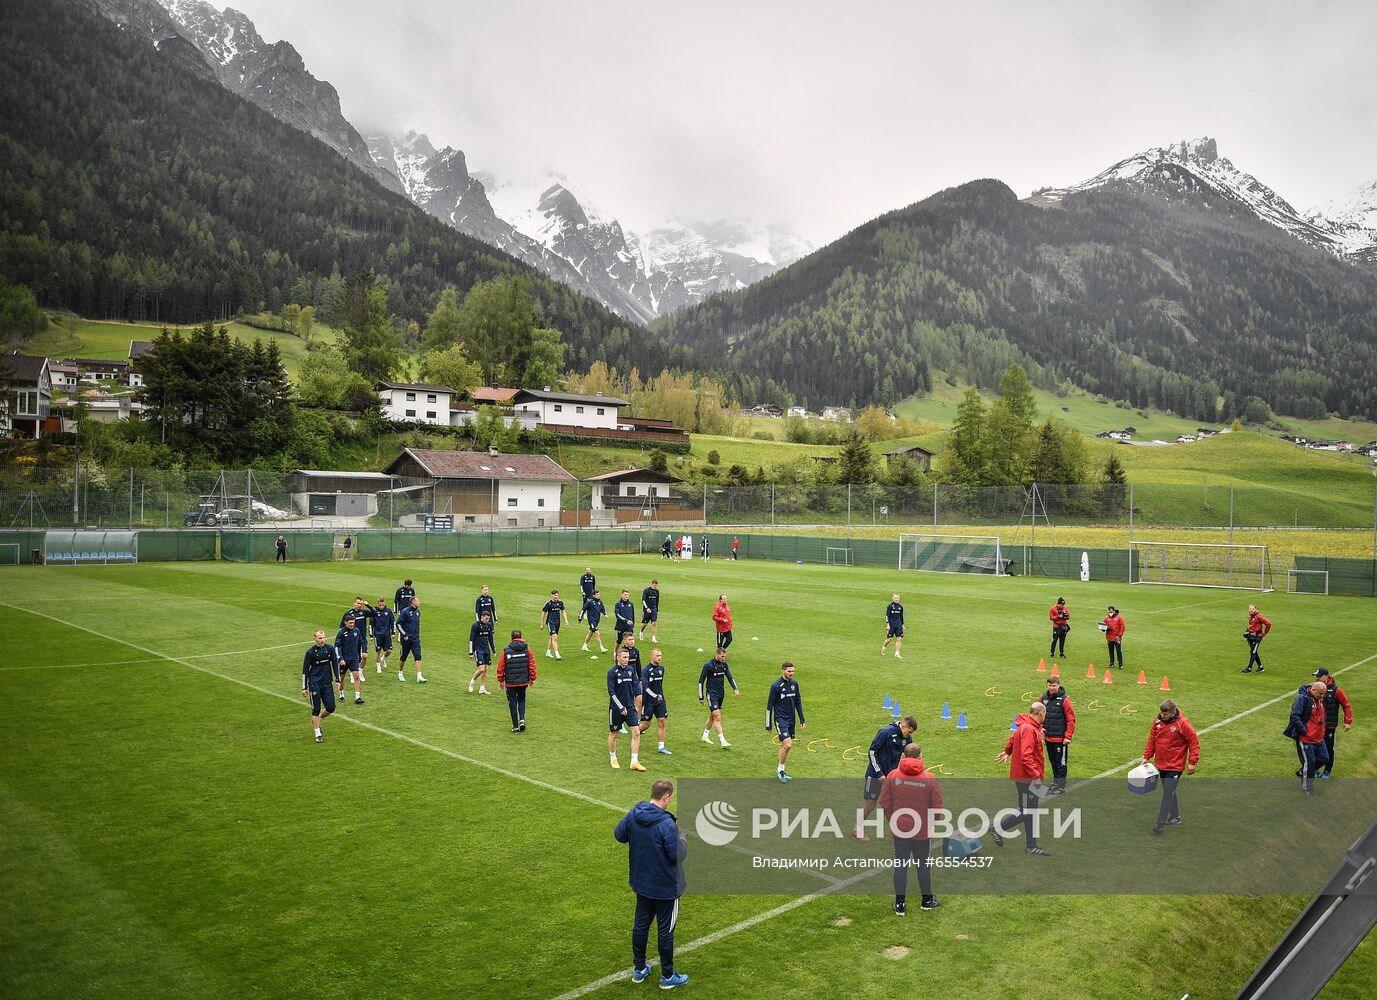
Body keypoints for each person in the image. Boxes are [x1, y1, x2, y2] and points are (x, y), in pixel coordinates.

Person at [614, 779, 688, 990]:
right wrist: (683, 840)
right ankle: (667, 976)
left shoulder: (635, 813)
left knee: (641, 926)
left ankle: (639, 969)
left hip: (642, 883)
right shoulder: (666, 824)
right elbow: (677, 856)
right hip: (666, 888)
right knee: (666, 931)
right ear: (666, 797)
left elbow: (619, 835)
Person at [878, 744, 943, 914]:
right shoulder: (929, 778)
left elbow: (884, 802)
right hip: (922, 831)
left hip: (900, 829)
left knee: (901, 865)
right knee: (923, 866)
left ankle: (900, 904)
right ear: (920, 756)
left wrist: (893, 819)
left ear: (903, 756)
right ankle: (926, 901)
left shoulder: (893, 775)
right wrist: (930, 825)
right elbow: (937, 808)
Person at [994, 702, 1052, 855]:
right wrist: (1036, 777)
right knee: (1027, 811)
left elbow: (1013, 737)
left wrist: (1008, 751)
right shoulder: (1029, 729)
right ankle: (998, 829)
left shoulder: (1027, 725)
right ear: (1041, 713)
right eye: (1045, 713)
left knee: (1032, 811)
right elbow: (1026, 757)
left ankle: (1031, 846)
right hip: (1027, 779)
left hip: (1028, 777)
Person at [1141, 699, 1200, 832]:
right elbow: (1152, 739)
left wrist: (1192, 762)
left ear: (1173, 712)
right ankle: (1175, 816)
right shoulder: (1157, 721)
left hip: (1175, 766)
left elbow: (1194, 742)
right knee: (1169, 791)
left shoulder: (1182, 724)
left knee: (1167, 794)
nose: (1163, 715)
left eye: (1166, 714)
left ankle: (1160, 824)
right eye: (1162, 713)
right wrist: (1146, 756)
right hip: (1161, 764)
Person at [855, 715, 917, 840]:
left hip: (891, 776)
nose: (910, 735)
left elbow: (908, 757)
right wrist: (879, 773)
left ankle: (898, 829)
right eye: (909, 731)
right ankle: (857, 828)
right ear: (903, 726)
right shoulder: (886, 732)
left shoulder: (907, 739)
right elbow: (872, 752)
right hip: (875, 775)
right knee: (871, 803)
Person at [765, 662, 806, 782]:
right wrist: (768, 724)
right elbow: (769, 705)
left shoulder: (794, 684)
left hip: (791, 719)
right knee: (788, 744)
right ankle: (780, 771)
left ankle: (781, 770)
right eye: (789, 671)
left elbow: (798, 701)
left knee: (786, 746)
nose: (791, 673)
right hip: (780, 719)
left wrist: (802, 718)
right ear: (782, 671)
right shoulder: (776, 686)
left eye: (793, 671)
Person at [1287, 681, 1330, 795]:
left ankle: (1303, 771)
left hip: (1318, 738)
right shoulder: (1303, 699)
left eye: (1324, 693)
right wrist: (1304, 731)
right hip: (1306, 739)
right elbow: (1294, 716)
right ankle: (1308, 788)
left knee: (1324, 758)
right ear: (1313, 690)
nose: (1323, 696)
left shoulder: (1320, 699)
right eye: (1321, 693)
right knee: (1310, 763)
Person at [609, 648, 646, 771]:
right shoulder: (612, 672)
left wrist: (639, 697)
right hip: (616, 709)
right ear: (618, 658)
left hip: (630, 708)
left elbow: (636, 685)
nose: (627, 660)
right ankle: (613, 757)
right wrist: (620, 707)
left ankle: (634, 762)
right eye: (624, 657)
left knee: (636, 732)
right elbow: (611, 692)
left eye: (628, 657)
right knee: (614, 733)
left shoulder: (631, 670)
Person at [1313, 668, 1354, 779]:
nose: (1317, 678)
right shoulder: (1314, 688)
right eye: (1316, 676)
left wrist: (1348, 722)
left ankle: (1327, 771)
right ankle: (1315, 769)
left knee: (1329, 749)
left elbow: (1346, 705)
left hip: (1329, 726)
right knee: (1314, 748)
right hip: (1316, 726)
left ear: (1326, 676)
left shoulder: (1336, 690)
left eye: (1319, 676)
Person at [1039, 675, 1076, 794]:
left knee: (1061, 763)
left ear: (1058, 685)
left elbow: (1071, 719)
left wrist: (1068, 736)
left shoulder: (1064, 700)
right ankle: (1056, 783)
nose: (1052, 688)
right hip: (1048, 737)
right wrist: (1040, 728)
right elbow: (1038, 715)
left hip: (1060, 738)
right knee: (1053, 761)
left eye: (1054, 686)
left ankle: (1061, 787)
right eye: (1050, 685)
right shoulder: (1043, 698)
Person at [301, 629, 340, 743]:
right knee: (316, 709)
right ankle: (317, 734)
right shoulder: (310, 652)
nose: (322, 640)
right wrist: (304, 687)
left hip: (327, 683)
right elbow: (305, 670)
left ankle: (318, 719)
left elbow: (335, 664)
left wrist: (338, 680)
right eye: (320, 638)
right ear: (315, 639)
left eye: (323, 637)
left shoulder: (330, 649)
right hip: (314, 684)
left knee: (331, 707)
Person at [697, 647, 739, 748]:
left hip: (721, 694)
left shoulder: (724, 665)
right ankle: (723, 741)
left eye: (725, 657)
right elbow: (701, 681)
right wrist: (701, 696)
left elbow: (730, 677)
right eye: (722, 656)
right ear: (717, 654)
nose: (723, 658)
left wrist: (735, 689)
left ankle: (705, 736)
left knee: (712, 715)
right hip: (712, 694)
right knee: (717, 716)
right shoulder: (708, 665)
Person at [497, 629, 536, 733]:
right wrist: (533, 678)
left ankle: (515, 726)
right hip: (523, 681)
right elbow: (532, 664)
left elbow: (501, 666)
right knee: (522, 700)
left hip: (511, 682)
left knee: (512, 703)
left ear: (511, 638)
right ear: (521, 637)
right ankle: (522, 720)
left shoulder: (506, 651)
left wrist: (500, 680)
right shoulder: (527, 649)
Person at [638, 648, 672, 755]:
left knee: (662, 721)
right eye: (657, 655)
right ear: (651, 656)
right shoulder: (645, 670)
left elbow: (659, 684)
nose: (659, 657)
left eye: (660, 655)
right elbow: (646, 687)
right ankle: (636, 732)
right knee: (646, 724)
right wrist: (654, 695)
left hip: (660, 700)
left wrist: (659, 695)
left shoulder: (661, 669)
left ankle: (661, 747)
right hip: (649, 701)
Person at [334, 613, 366, 705]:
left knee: (356, 676)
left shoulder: (357, 631)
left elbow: (359, 644)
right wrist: (340, 659)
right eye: (350, 623)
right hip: (344, 660)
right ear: (345, 622)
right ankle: (341, 694)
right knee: (342, 677)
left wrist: (359, 657)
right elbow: (337, 646)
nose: (352, 624)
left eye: (353, 623)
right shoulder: (341, 632)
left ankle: (357, 697)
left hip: (354, 658)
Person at [340, 598, 374, 681]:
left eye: (360, 604)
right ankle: (353, 673)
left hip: (362, 639)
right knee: (355, 658)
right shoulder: (348, 613)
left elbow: (375, 613)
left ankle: (360, 671)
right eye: (358, 603)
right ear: (354, 603)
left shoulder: (363, 612)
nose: (359, 605)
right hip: (352, 640)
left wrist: (368, 605)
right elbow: (341, 627)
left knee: (364, 656)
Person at [397, 596, 426, 683]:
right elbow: (398, 624)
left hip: (416, 638)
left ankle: (419, 676)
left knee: (418, 656)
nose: (419, 602)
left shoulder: (417, 611)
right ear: (413, 602)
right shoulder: (405, 611)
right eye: (418, 601)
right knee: (403, 657)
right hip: (406, 639)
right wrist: (404, 634)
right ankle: (400, 673)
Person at [468, 611, 495, 694]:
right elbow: (471, 639)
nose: (487, 620)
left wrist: (493, 650)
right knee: (481, 669)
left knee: (486, 669)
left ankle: (482, 688)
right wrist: (471, 652)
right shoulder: (475, 625)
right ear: (482, 617)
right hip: (478, 650)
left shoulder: (489, 625)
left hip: (486, 649)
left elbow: (491, 638)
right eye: (486, 618)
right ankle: (472, 681)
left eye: (488, 619)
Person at [540, 589, 568, 659]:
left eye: (557, 595)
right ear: (551, 595)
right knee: (554, 637)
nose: (556, 596)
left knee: (552, 637)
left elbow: (563, 611)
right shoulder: (548, 604)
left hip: (557, 623)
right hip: (550, 622)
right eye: (555, 595)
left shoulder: (560, 603)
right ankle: (557, 654)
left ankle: (548, 652)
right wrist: (542, 624)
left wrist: (566, 620)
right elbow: (543, 613)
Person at [1243, 604, 1272, 673]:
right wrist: (1247, 632)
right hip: (1252, 637)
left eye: (1252, 609)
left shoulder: (1258, 616)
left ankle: (1249, 668)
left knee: (1252, 652)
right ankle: (1260, 667)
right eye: (1250, 609)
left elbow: (1269, 623)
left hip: (1257, 637)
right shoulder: (1251, 616)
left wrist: (1265, 633)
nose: (1251, 610)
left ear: (1255, 609)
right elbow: (1252, 626)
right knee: (1254, 651)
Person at [371, 597, 395, 674]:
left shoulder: (388, 611)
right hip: (377, 635)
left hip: (387, 634)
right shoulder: (374, 611)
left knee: (389, 651)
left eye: (382, 605)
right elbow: (371, 624)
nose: (381, 607)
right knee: (378, 651)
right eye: (380, 605)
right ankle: (378, 667)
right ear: (377, 604)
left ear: (384, 604)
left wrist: (393, 632)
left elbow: (393, 622)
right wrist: (371, 635)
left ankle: (383, 658)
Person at [881, 593, 904, 659]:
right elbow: (887, 616)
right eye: (895, 598)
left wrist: (903, 625)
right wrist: (888, 624)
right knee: (889, 639)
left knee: (899, 638)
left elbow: (901, 617)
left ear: (899, 599)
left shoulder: (900, 607)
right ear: (892, 598)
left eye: (897, 598)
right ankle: (884, 647)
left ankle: (897, 654)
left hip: (898, 625)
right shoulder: (890, 606)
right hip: (891, 625)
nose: (896, 599)